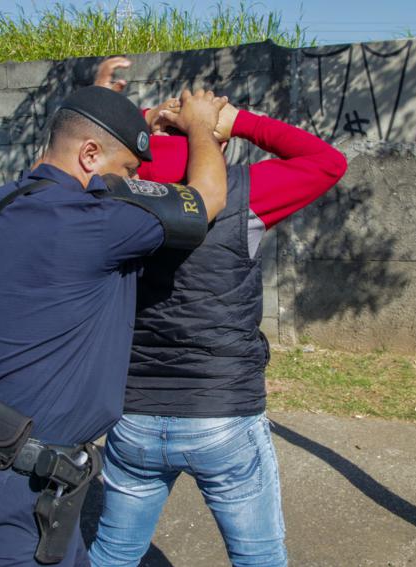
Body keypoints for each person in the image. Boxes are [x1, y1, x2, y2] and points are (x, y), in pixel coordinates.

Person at [0, 85, 228, 566]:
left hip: (2, 459)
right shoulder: (95, 222)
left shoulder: (0, 202)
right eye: (129, 172)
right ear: (90, 154)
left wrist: (137, 117)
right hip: (14, 478)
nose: (132, 183)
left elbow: (61, 144)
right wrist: (199, 123)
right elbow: (209, 197)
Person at [89, 63, 348, 567]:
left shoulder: (111, 190)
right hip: (222, 412)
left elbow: (65, 155)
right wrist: (236, 119)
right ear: (216, 142)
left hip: (133, 410)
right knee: (259, 557)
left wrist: (142, 116)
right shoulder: (245, 190)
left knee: (114, 554)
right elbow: (328, 161)